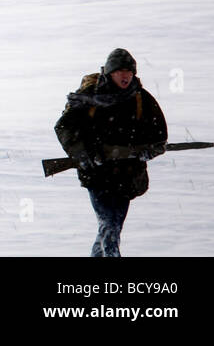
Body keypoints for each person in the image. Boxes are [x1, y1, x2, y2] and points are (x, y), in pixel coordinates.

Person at [54, 48, 168, 257]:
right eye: (120, 71)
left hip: (127, 176)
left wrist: (148, 151)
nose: (125, 75)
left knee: (112, 226)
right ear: (110, 73)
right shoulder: (90, 97)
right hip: (98, 174)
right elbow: (64, 127)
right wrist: (81, 153)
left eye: (129, 71)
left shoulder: (141, 98)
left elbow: (159, 135)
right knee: (109, 225)